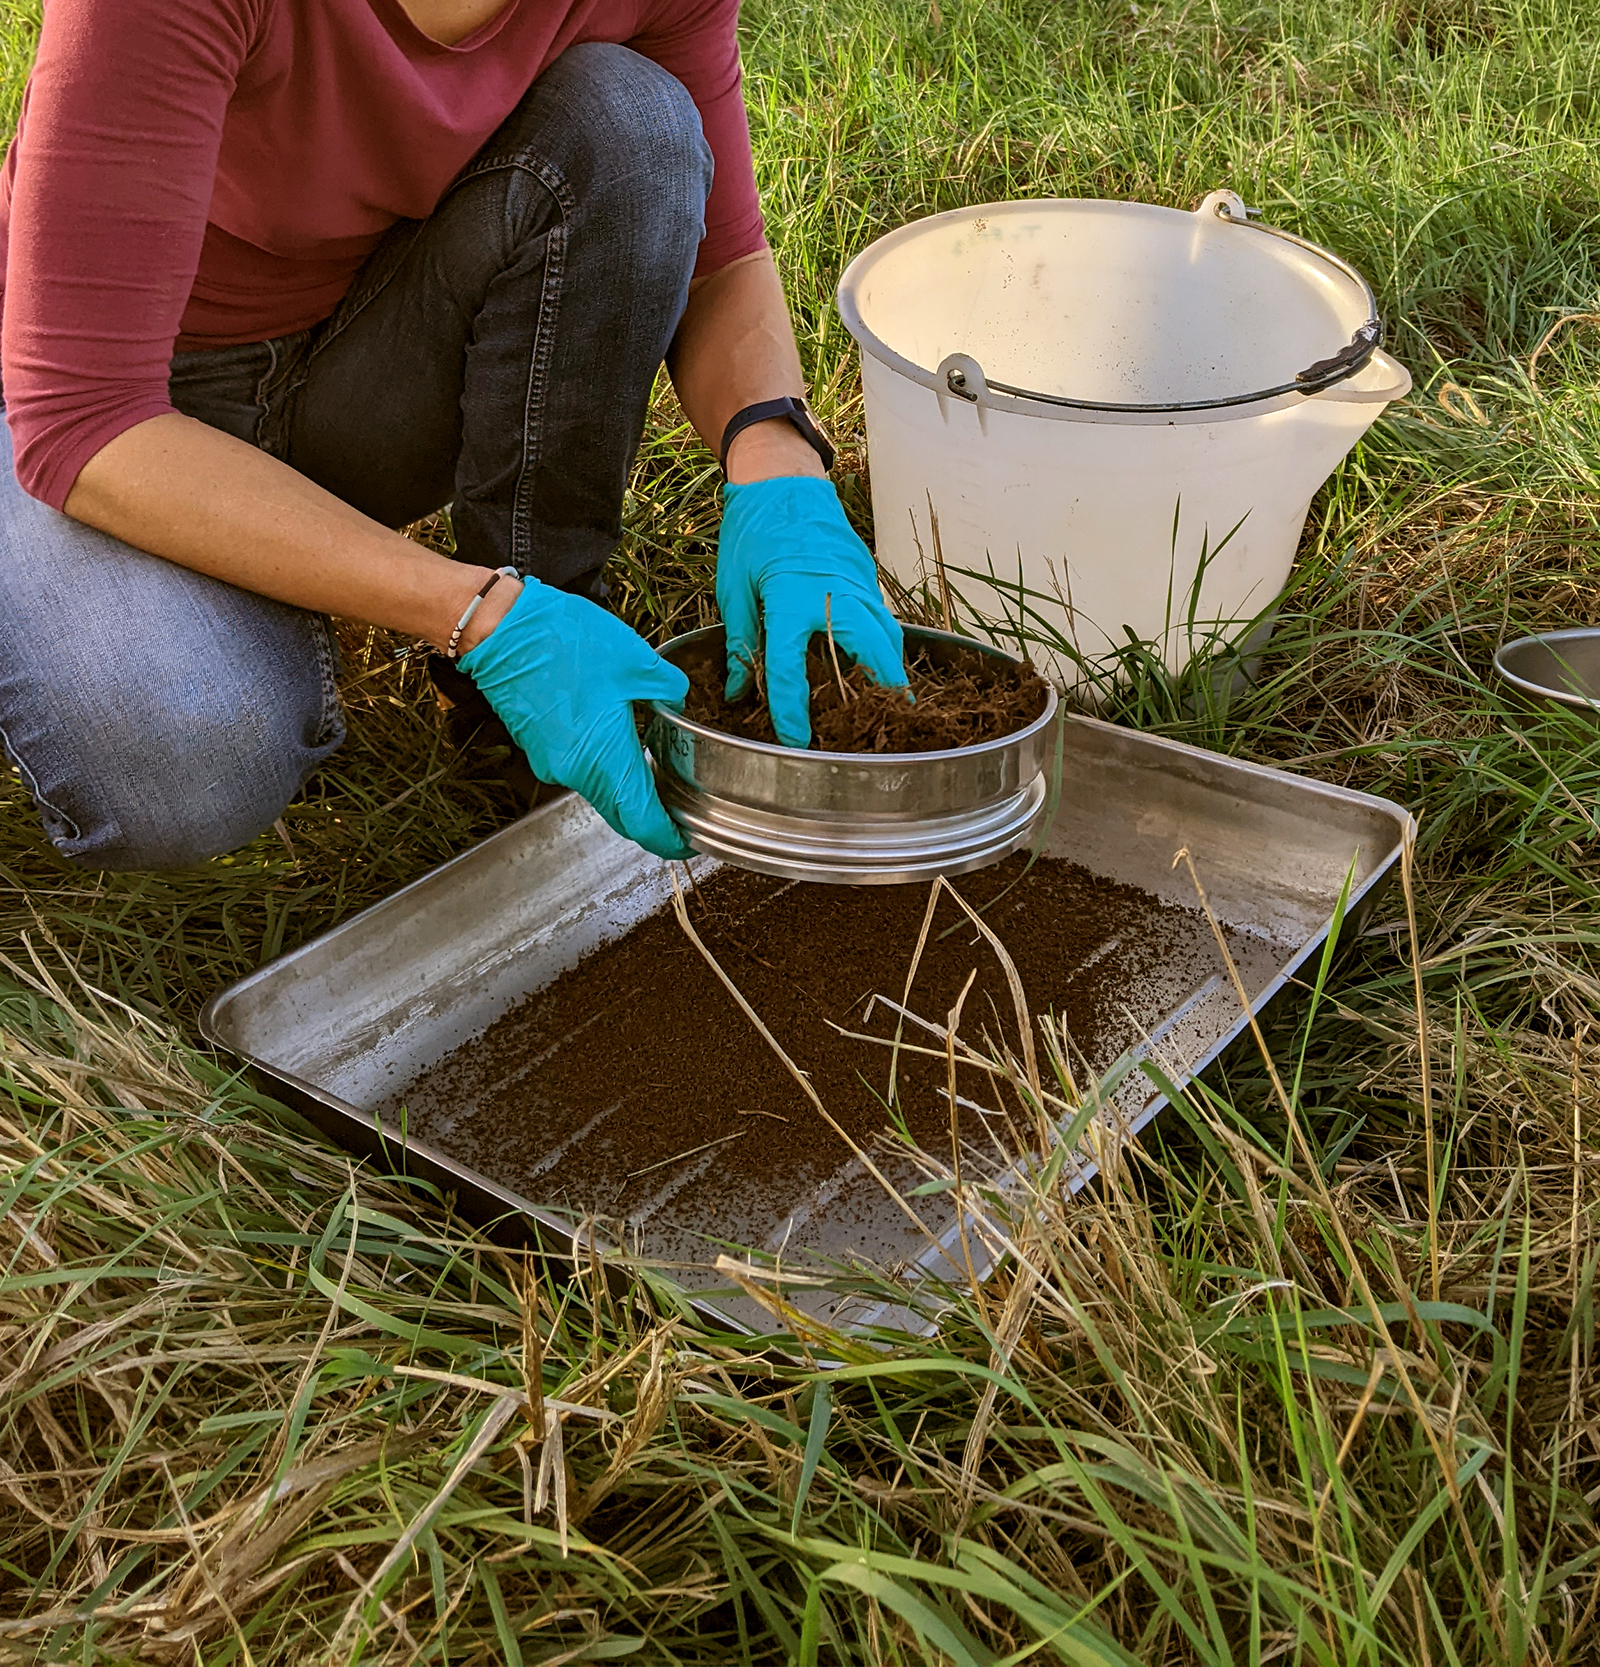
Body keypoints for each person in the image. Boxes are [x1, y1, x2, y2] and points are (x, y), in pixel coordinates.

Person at [0, 0, 908, 871]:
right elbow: (84, 413)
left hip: (352, 349)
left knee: (633, 128)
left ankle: (528, 716)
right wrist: (471, 613)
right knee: (186, 762)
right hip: (100, 410)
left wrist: (780, 467)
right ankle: (459, 623)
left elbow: (724, 263)